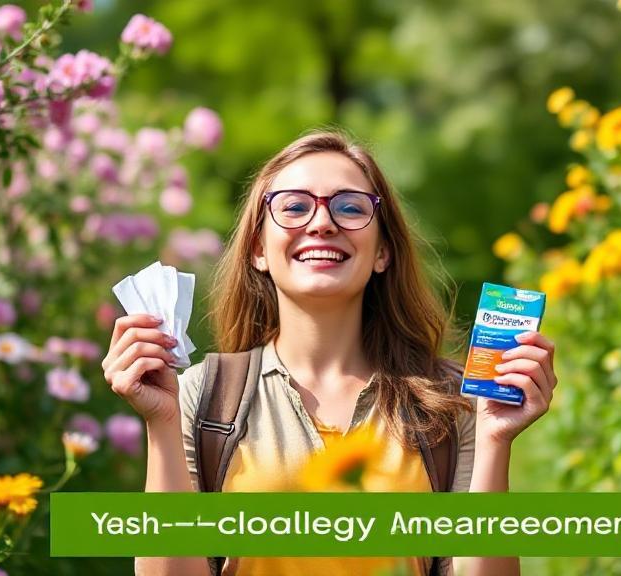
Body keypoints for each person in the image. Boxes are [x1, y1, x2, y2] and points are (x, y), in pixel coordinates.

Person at [101, 130, 558, 576]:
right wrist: (159, 423)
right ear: (259, 248)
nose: (322, 223)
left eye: (350, 207)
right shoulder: (203, 395)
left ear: (382, 251)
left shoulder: (451, 402)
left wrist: (496, 439)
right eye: (295, 207)